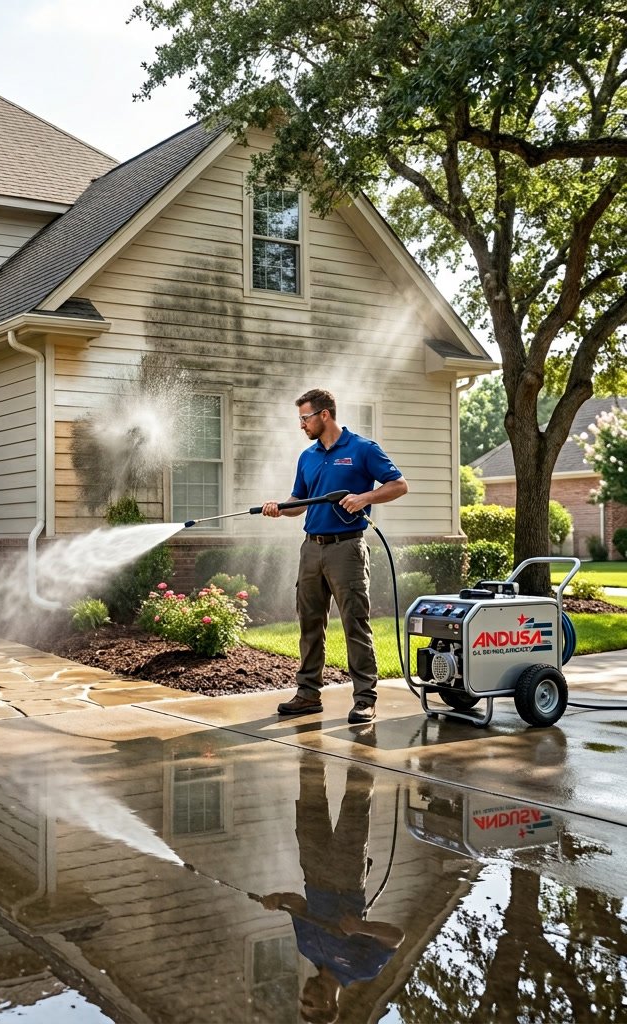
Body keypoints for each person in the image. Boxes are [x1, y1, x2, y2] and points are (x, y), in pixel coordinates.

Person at [264, 388, 407, 724]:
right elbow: (298, 502)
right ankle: (307, 694)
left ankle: (365, 699)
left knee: (355, 623)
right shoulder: (308, 457)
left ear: (324, 414)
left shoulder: (362, 449)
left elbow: (399, 485)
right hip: (311, 548)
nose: (301, 424)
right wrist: (279, 508)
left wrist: (364, 498)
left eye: (305, 417)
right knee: (309, 622)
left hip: (347, 548)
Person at [260, 755, 405, 1023]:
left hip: (313, 870)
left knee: (310, 798)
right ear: (329, 1005)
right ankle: (364, 743)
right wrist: (362, 927)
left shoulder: (306, 948)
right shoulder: (362, 969)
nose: (304, 995)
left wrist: (278, 898)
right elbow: (396, 937)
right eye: (310, 1003)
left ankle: (310, 745)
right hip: (346, 877)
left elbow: (300, 905)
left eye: (302, 1001)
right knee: (356, 801)